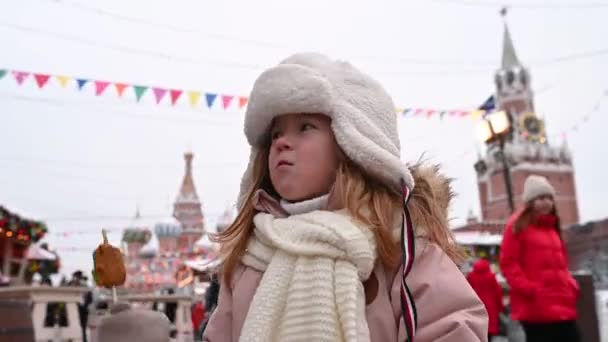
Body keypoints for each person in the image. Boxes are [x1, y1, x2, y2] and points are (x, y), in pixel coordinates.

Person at [203, 52, 487, 342]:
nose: (282, 142)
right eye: (275, 134)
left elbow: (452, 325)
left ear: (352, 145)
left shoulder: (398, 241)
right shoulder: (250, 254)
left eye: (305, 128)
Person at [500, 175, 580, 342]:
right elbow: (508, 264)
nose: (547, 202)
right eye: (541, 198)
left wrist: (571, 285)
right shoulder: (517, 226)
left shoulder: (552, 227)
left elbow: (562, 266)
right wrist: (530, 290)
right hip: (536, 308)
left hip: (563, 304)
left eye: (550, 198)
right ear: (530, 201)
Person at [467, 258, 504, 341]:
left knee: (476, 332)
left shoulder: (471, 276)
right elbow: (498, 293)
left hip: (475, 307)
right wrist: (500, 307)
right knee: (488, 332)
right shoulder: (491, 277)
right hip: (490, 308)